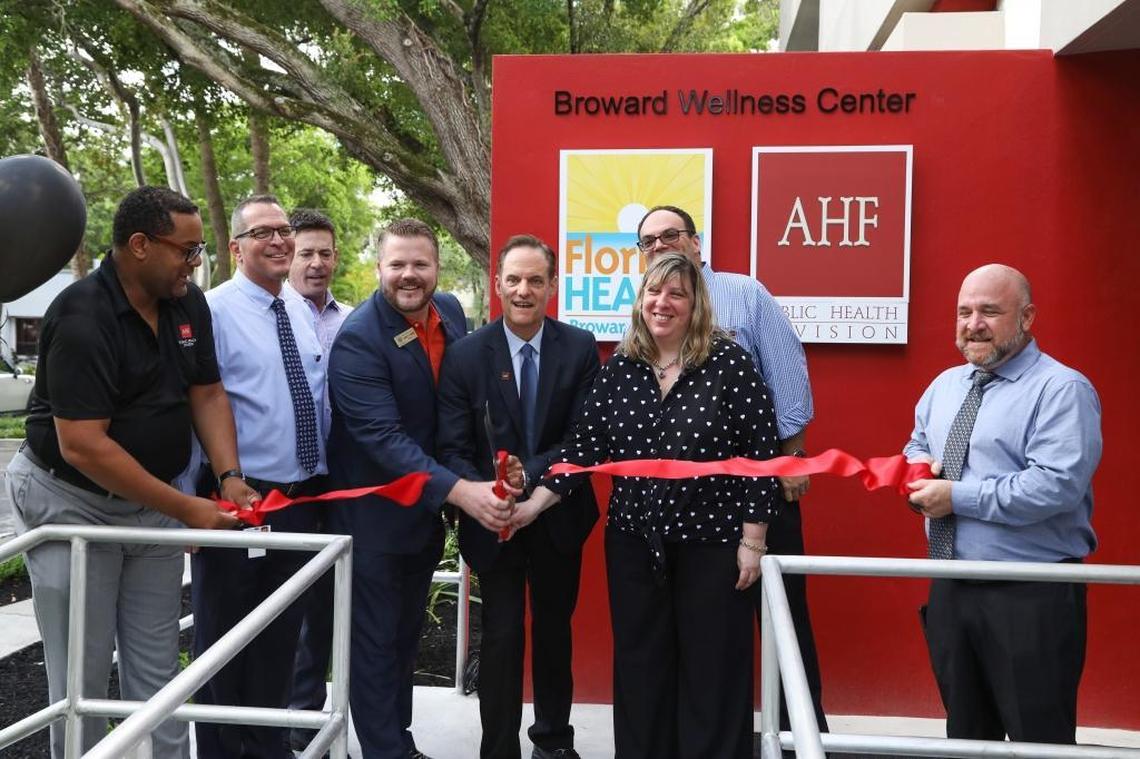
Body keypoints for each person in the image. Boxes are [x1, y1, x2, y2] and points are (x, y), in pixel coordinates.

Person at [4, 185, 253, 758]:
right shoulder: (81, 316)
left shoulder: (187, 302)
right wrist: (187, 509)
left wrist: (229, 474)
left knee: (159, 666)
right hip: (71, 501)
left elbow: (208, 393)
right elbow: (84, 446)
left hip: (152, 502)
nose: (195, 263)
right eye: (186, 250)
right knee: (82, 677)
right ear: (139, 245)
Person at [529, 252, 780, 758]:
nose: (662, 303)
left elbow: (761, 456)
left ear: (695, 305)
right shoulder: (621, 366)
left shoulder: (729, 363)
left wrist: (753, 540)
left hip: (712, 545)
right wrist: (531, 504)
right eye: (653, 292)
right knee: (641, 668)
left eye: (676, 294)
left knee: (711, 670)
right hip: (634, 546)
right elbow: (584, 449)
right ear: (640, 300)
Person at [635, 205, 827, 740]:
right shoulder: (650, 308)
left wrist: (787, 460)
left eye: (669, 235)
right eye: (647, 241)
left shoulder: (743, 294)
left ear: (696, 243)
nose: (659, 246)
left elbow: (788, 376)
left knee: (784, 623)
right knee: (708, 640)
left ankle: (803, 740)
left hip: (757, 495)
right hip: (686, 516)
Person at [326, 218, 514, 759]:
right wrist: (462, 492)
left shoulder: (450, 311)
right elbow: (384, 439)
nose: (409, 275)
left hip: (426, 516)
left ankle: (400, 739)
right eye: (397, 265)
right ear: (378, 268)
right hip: (377, 517)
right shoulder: (359, 340)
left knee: (405, 635)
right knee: (377, 640)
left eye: (420, 264)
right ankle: (387, 750)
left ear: (437, 267)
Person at [905, 263, 1101, 744]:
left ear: (1027, 317)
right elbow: (917, 447)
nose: (974, 324)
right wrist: (917, 474)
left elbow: (1055, 486)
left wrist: (956, 497)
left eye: (990, 311)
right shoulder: (944, 387)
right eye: (965, 311)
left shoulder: (1061, 389)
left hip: (1031, 592)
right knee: (966, 737)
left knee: (1041, 742)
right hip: (952, 586)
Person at [437, 235, 600, 759]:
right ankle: (498, 748)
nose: (523, 290)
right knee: (503, 637)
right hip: (493, 521)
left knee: (555, 631)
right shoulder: (465, 356)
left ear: (552, 285)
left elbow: (584, 440)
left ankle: (553, 742)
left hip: (557, 514)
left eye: (535, 279)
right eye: (514, 279)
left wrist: (529, 482)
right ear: (498, 284)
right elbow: (452, 447)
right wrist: (485, 495)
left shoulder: (579, 347)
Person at [191, 194, 329, 758]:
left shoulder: (298, 307)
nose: (278, 240)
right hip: (238, 504)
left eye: (283, 230)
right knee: (224, 642)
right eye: (262, 232)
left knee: (280, 638)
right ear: (236, 246)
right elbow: (196, 401)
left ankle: (269, 748)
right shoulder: (211, 310)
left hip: (298, 504)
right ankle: (223, 751)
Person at [282, 208, 354, 753]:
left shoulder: (351, 322)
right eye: (306, 252)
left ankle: (306, 721)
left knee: (323, 608)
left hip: (345, 483)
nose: (316, 262)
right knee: (277, 604)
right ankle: (267, 721)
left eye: (325, 252)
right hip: (283, 483)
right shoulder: (269, 313)